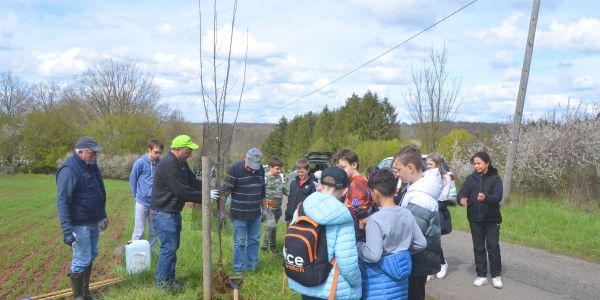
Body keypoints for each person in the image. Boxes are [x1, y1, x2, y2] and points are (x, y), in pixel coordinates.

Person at [287, 167, 362, 300]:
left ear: (319, 185)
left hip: (304, 279)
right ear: (345, 190)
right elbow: (346, 261)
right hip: (330, 289)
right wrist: (357, 283)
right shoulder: (344, 217)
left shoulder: (301, 208)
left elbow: (290, 243)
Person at [358, 168, 427, 300]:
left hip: (378, 284)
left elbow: (373, 255)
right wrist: (401, 253)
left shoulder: (375, 220)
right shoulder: (406, 213)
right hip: (401, 283)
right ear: (394, 190)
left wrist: (359, 246)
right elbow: (421, 243)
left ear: (375, 193)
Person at [56, 136, 108, 300]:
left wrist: (103, 215)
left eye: (96, 152)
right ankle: (78, 297)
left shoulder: (91, 166)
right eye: (92, 152)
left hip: (93, 221)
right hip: (79, 224)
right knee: (80, 259)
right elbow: (63, 201)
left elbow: (98, 191)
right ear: (80, 152)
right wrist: (67, 231)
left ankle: (86, 293)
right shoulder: (69, 170)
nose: (95, 155)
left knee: (91, 255)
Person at [151, 135, 203, 290]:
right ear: (178, 149)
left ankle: (170, 280)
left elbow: (192, 181)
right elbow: (181, 191)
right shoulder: (169, 164)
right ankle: (162, 284)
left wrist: (207, 187)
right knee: (168, 249)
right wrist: (205, 197)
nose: (190, 155)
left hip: (172, 212)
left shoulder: (181, 163)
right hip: (164, 213)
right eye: (188, 151)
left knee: (172, 248)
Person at [392, 145, 442, 300]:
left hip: (418, 259)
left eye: (399, 170)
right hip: (416, 257)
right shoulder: (413, 188)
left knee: (414, 294)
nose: (398, 175)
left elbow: (412, 235)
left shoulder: (420, 197)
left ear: (411, 167)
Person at [457, 151, 504, 289]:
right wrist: (461, 199)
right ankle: (481, 275)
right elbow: (462, 192)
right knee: (478, 248)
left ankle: (496, 275)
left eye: (479, 163)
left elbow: (498, 196)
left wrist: (486, 198)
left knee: (493, 246)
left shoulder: (495, 178)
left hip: (491, 219)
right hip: (475, 219)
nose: (476, 166)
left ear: (487, 163)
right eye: (474, 164)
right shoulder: (470, 179)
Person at [223, 148, 266, 273]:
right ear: (245, 158)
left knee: (254, 240)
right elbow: (224, 192)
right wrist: (220, 212)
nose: (252, 169)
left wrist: (264, 209)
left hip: (255, 213)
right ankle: (239, 269)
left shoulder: (261, 169)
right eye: (250, 166)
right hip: (239, 214)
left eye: (255, 167)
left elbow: (262, 190)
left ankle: (252, 267)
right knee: (240, 242)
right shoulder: (234, 169)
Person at [425, 153, 457, 280]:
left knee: (434, 241)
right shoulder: (426, 176)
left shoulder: (446, 177)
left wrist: (431, 198)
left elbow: (443, 196)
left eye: (430, 164)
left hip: (438, 211)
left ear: (437, 165)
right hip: (426, 210)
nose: (428, 167)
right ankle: (429, 268)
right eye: (427, 164)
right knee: (425, 241)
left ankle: (442, 263)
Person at [129, 139, 163, 252]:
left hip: (155, 204)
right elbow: (133, 180)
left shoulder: (161, 163)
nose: (158, 155)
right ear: (149, 150)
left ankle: (152, 253)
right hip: (142, 203)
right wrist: (137, 196)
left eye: (159, 153)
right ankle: (135, 254)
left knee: (154, 230)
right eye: (155, 152)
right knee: (139, 230)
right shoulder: (140, 163)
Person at [333, 148, 373, 242]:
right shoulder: (360, 180)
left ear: (354, 165)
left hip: (355, 227)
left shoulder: (355, 183)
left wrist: (363, 219)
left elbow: (359, 205)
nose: (340, 171)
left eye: (343, 168)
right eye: (338, 168)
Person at [261, 157, 288, 253]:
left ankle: (264, 246)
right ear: (270, 167)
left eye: (280, 168)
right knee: (272, 226)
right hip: (269, 206)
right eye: (277, 168)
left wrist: (290, 194)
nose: (279, 170)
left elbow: (283, 189)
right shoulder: (265, 178)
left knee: (270, 227)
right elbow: (260, 192)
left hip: (277, 207)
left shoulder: (279, 178)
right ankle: (273, 247)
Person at [285, 158, 316, 225]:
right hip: (291, 217)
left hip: (303, 218)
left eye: (302, 172)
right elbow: (290, 199)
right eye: (298, 172)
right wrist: (287, 214)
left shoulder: (312, 185)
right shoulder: (293, 183)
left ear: (308, 170)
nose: (300, 174)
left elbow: (313, 204)